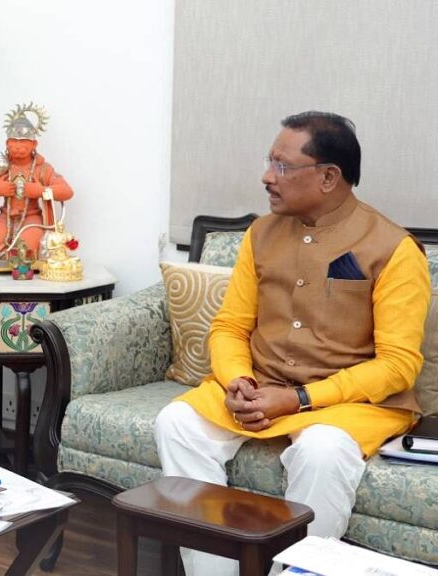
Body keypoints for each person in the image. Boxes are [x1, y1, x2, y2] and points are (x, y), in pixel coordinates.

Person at [154, 111, 431, 576]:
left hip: (349, 404)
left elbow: (398, 365)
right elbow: (229, 326)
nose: (267, 177)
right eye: (270, 162)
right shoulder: (261, 234)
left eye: (283, 166)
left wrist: (300, 399)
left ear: (328, 177)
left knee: (321, 450)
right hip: (262, 386)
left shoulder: (393, 248)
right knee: (177, 421)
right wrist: (238, 381)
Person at [0, 103, 73, 260]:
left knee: (27, 253)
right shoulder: (1, 166)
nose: (18, 147)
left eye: (23, 142)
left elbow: (67, 191)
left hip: (31, 218)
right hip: (5, 217)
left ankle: (17, 260)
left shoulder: (42, 168)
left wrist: (41, 191)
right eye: (14, 142)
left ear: (34, 145)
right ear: (7, 144)